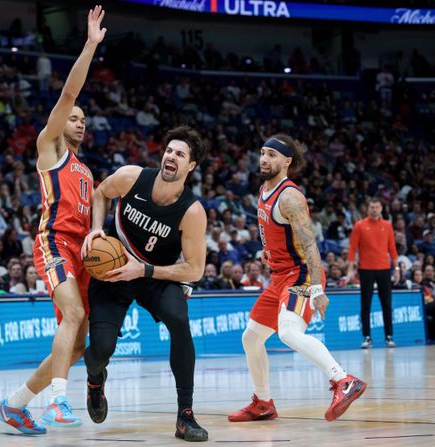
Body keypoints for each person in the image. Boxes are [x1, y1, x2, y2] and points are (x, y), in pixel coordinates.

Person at [0, 5, 106, 435]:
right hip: (53, 242)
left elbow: (96, 210)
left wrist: (101, 234)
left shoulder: (86, 170)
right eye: (74, 118)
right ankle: (58, 401)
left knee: (75, 345)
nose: (79, 123)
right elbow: (68, 94)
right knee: (73, 313)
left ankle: (14, 404)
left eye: (83, 121)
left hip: (81, 254)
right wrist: (90, 46)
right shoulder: (50, 148)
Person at [81, 126, 209, 442]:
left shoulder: (192, 212)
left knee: (179, 320)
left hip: (153, 276)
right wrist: (96, 228)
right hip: (113, 272)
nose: (171, 157)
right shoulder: (131, 177)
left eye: (180, 154)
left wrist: (145, 271)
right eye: (169, 151)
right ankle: (95, 381)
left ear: (191, 166)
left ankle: (185, 415)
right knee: (100, 350)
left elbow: (195, 269)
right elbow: (100, 193)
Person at [229, 134, 366, 424]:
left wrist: (316, 288)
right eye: (262, 153)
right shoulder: (264, 189)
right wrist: (268, 251)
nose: (264, 159)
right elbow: (276, 231)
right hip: (279, 275)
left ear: (287, 161)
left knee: (288, 332)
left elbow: (310, 244)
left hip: (301, 275)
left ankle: (343, 380)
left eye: (272, 155)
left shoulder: (290, 197)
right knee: (251, 338)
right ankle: (263, 403)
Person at [346, 198, 398, 349]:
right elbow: (352, 248)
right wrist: (350, 269)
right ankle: (367, 337)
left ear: (381, 208)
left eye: (377, 207)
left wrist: (397, 270)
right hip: (366, 269)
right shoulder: (359, 225)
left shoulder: (387, 225)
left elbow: (392, 248)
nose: (374, 209)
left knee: (387, 304)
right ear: (368, 209)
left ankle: (389, 336)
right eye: (372, 207)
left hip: (384, 269)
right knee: (366, 304)